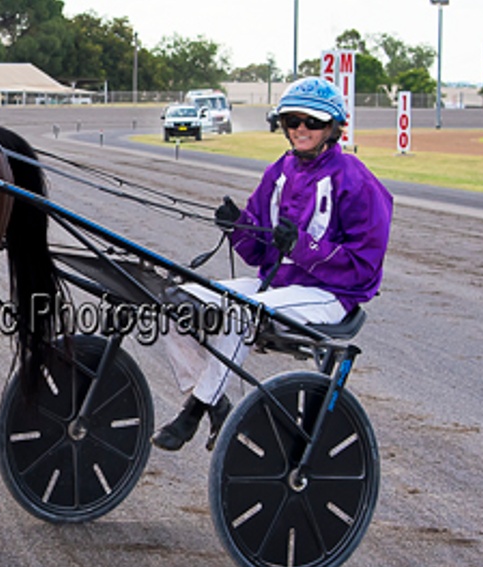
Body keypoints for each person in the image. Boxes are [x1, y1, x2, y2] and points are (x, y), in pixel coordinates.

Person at [153, 77, 393, 452]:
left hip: (331, 297)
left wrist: (303, 247)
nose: (301, 129)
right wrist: (237, 228)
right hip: (276, 287)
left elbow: (364, 267)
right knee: (174, 301)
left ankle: (194, 412)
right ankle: (215, 401)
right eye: (292, 121)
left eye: (311, 122)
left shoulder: (356, 180)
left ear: (332, 127)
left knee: (239, 311)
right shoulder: (279, 172)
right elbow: (258, 252)